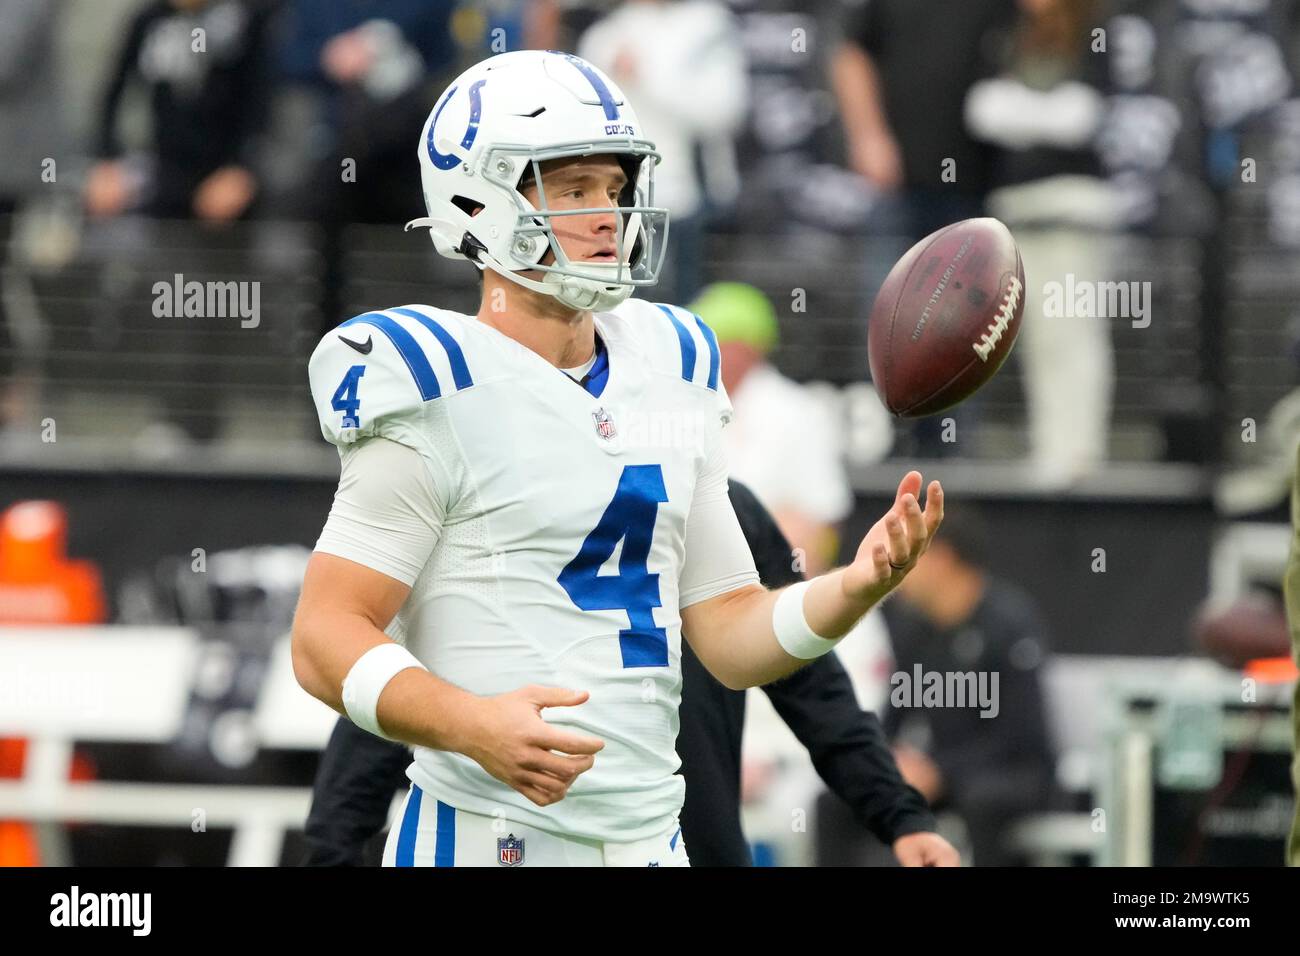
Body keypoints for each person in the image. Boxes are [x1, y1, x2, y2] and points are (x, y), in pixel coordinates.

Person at [292, 50, 944, 867]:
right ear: (478, 198)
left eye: (614, 187)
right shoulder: (431, 382)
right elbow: (322, 636)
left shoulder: (672, 363)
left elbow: (732, 634)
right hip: (487, 844)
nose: (607, 214)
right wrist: (470, 723)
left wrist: (855, 585)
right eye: (572, 189)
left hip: (652, 846)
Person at [301, 479, 955, 866]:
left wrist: (901, 817)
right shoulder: (486, 503)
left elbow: (812, 685)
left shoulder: (720, 507)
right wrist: (334, 848)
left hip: (687, 848)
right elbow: (396, 693)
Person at [816, 508, 1055, 866]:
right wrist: (882, 761)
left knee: (983, 802)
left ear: (940, 557)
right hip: (944, 776)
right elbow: (894, 718)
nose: (898, 571)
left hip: (1010, 775)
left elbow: (1022, 739)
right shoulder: (915, 632)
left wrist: (940, 771)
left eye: (909, 555)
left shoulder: (1010, 624)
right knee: (836, 800)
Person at [689, 281, 853, 575]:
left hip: (771, 579)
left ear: (745, 347)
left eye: (712, 340)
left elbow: (821, 521)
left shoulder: (799, 412)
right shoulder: (684, 404)